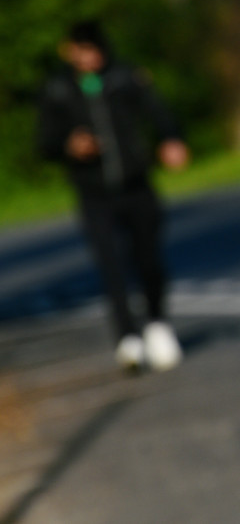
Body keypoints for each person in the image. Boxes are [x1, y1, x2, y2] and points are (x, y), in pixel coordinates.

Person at [36, 21, 189, 373]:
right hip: (94, 194)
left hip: (136, 184)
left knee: (148, 259)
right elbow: (45, 142)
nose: (90, 57)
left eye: (95, 49)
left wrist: (171, 139)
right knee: (112, 265)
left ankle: (156, 324)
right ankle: (127, 338)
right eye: (82, 50)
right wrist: (69, 146)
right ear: (70, 51)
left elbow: (158, 109)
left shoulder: (125, 76)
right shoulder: (57, 89)